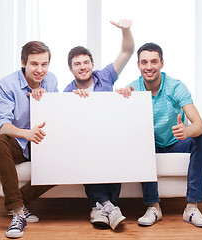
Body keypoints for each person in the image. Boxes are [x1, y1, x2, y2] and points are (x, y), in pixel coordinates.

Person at [116, 42, 202, 228]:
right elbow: (122, 126)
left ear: (162, 63)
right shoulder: (133, 89)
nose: (149, 66)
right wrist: (122, 100)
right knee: (141, 139)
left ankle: (191, 208)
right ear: (138, 65)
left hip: (175, 142)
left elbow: (199, 125)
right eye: (144, 62)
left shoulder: (175, 87)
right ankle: (153, 207)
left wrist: (187, 131)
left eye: (154, 61)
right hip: (149, 144)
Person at [63, 19, 134, 230]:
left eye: (86, 62)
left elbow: (127, 51)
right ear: (70, 68)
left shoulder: (105, 77)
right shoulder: (67, 92)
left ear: (92, 64)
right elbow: (68, 126)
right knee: (87, 152)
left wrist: (125, 30)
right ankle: (110, 207)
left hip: (109, 137)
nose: (82, 67)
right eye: (77, 64)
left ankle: (99, 208)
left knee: (114, 150)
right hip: (85, 143)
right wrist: (76, 102)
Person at [0, 41, 58, 239]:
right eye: (34, 64)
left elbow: (57, 117)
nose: (40, 70)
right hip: (20, 141)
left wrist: (48, 100)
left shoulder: (52, 80)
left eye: (44, 64)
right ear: (23, 63)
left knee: (67, 160)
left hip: (43, 142)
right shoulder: (6, 85)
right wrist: (26, 133)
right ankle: (18, 214)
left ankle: (17, 202)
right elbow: (2, 125)